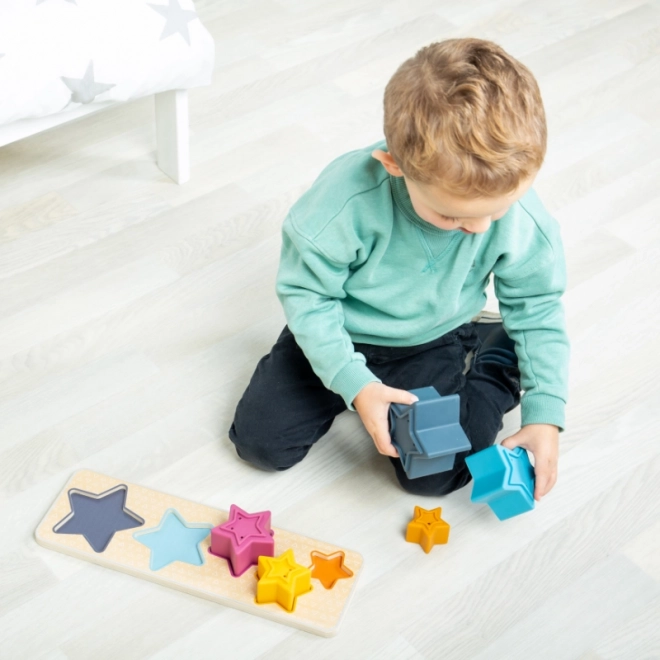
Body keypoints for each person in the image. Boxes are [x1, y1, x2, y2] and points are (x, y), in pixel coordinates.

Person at [228, 38, 569, 501]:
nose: (479, 227)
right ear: (393, 165)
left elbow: (537, 308)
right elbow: (308, 296)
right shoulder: (343, 203)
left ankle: (496, 359)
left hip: (431, 339)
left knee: (436, 478)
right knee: (260, 446)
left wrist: (544, 414)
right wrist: (355, 383)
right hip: (339, 331)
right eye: (451, 215)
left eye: (499, 208)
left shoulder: (520, 218)